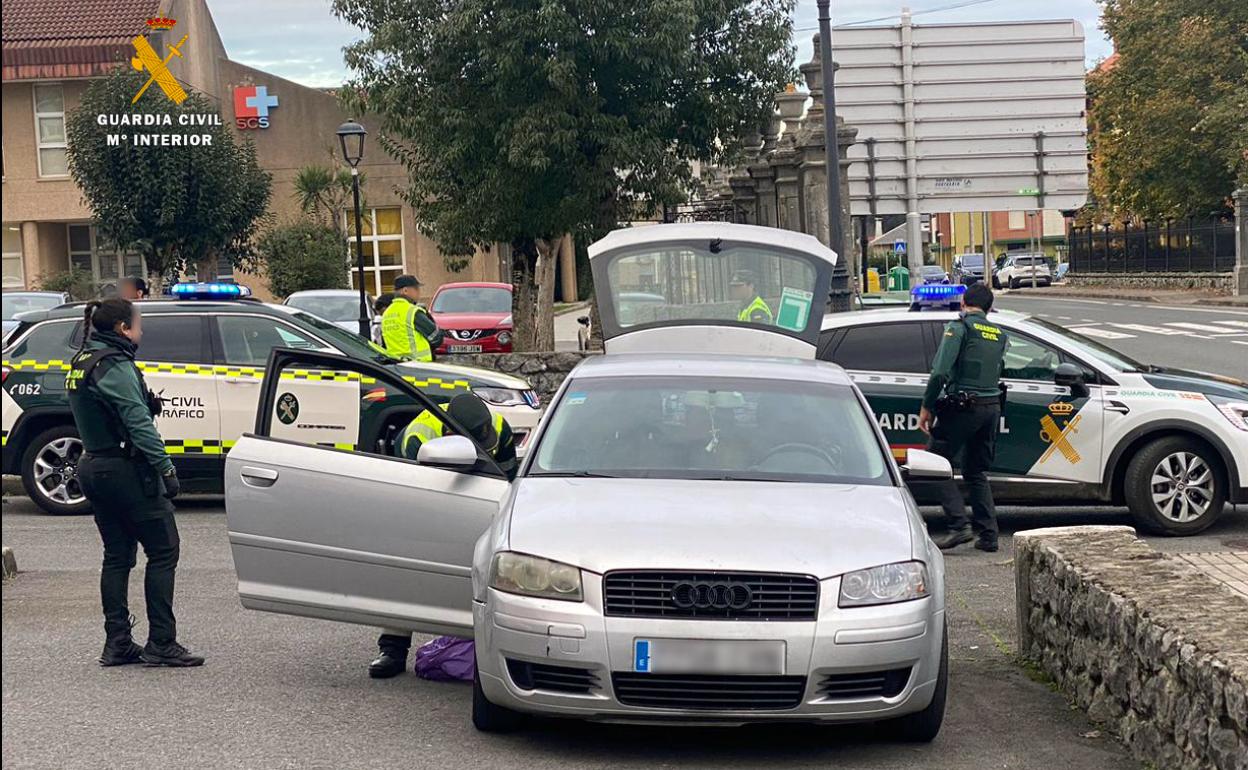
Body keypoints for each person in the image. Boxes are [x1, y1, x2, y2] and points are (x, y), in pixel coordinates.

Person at [66, 298, 204, 667]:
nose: (141, 331)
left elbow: (104, 410)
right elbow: (137, 424)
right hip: (125, 470)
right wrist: (167, 469)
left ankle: (118, 643)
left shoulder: (83, 360)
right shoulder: (114, 364)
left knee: (117, 556)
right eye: (137, 324)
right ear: (122, 329)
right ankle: (162, 641)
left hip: (94, 465)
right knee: (163, 550)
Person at [369, 393, 517, 679]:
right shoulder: (415, 437)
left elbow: (511, 483)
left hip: (485, 505)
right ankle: (392, 649)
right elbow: (412, 497)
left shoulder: (499, 427)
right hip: (429, 510)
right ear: (450, 432)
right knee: (406, 572)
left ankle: (491, 647)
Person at [917, 282, 1008, 553]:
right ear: (990, 308)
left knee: (933, 464)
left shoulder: (959, 327)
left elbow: (940, 373)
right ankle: (989, 535)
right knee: (975, 471)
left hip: (964, 406)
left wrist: (927, 406)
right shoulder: (1000, 334)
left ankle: (959, 526)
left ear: (963, 303)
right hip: (992, 407)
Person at [381, 275, 440, 362]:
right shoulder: (413, 311)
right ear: (405, 290)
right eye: (416, 288)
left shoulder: (387, 313)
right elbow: (436, 337)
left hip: (395, 366)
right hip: (419, 365)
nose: (419, 292)